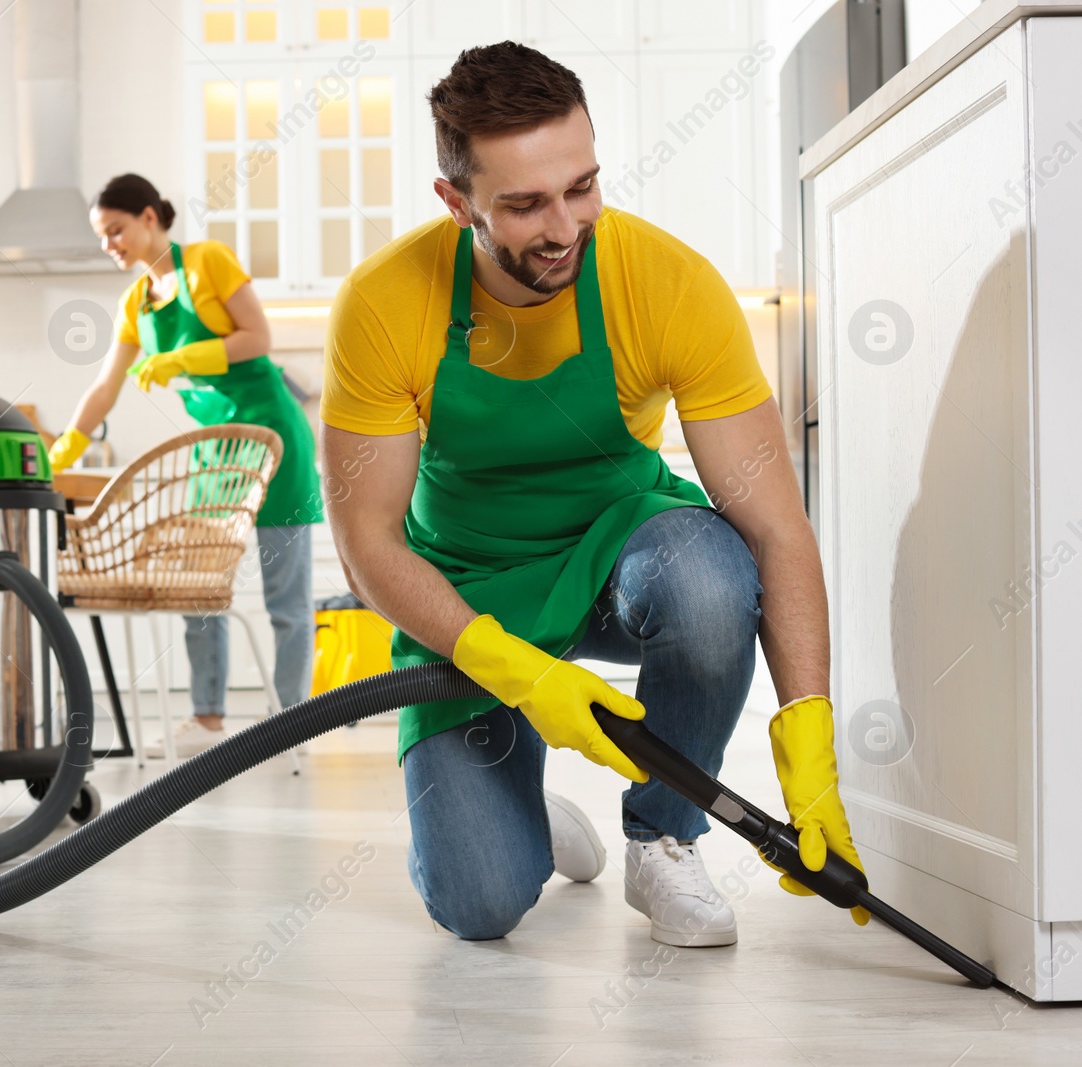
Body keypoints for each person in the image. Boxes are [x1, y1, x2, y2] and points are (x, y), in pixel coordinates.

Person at [320, 43, 866, 947]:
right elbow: (369, 541)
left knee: (710, 574)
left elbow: (776, 526)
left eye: (582, 186)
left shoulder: (666, 282)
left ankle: (664, 838)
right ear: (457, 204)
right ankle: (521, 809)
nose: (566, 224)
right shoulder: (384, 303)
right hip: (468, 587)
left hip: (620, 552)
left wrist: (808, 741)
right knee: (480, 904)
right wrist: (519, 674)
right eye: (527, 203)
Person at [50, 174, 321, 759]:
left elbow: (258, 336)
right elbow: (105, 385)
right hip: (213, 455)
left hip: (272, 444)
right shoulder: (134, 303)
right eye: (102, 237)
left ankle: (293, 724)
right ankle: (206, 717)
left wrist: (184, 356)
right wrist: (68, 444)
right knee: (198, 590)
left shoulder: (209, 262)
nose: (109, 245)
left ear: (150, 217)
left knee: (287, 603)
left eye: (115, 230)